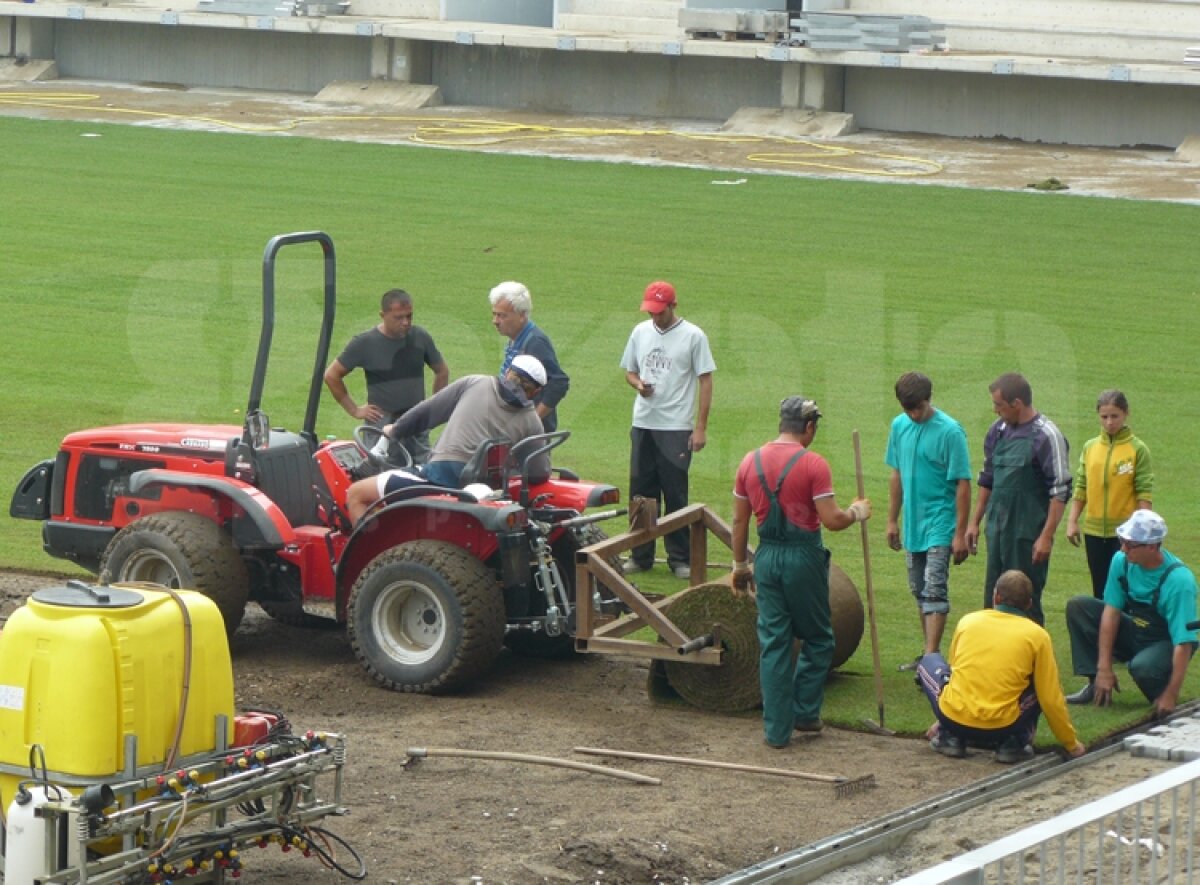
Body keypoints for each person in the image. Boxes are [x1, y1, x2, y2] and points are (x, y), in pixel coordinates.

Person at [731, 396, 871, 749]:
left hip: (766, 556)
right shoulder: (813, 465)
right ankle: (806, 713)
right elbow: (832, 520)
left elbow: (738, 520)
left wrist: (739, 566)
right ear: (808, 427)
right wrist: (857, 512)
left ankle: (776, 732)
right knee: (820, 637)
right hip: (803, 558)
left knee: (774, 644)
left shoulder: (750, 462)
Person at [917, 569, 1086, 763]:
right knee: (1041, 686)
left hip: (954, 718)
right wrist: (1071, 744)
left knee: (929, 661)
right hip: (1004, 725)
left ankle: (951, 737)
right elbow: (1050, 698)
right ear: (1029, 604)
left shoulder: (968, 622)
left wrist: (944, 720)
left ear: (996, 596)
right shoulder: (1037, 635)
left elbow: (956, 676)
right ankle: (1013, 744)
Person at [346, 355, 550, 512]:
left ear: (508, 373)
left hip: (439, 478)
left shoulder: (475, 383)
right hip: (484, 488)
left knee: (356, 494)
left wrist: (395, 430)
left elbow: (426, 413)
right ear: (536, 391)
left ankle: (371, 566)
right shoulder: (532, 421)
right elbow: (538, 472)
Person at [620, 281, 715, 580]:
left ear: (673, 306)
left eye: (659, 312)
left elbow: (705, 381)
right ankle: (640, 553)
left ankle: (680, 558)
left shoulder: (694, 336)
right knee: (640, 492)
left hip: (675, 427)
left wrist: (700, 428)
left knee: (675, 493)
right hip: (643, 422)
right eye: (650, 311)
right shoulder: (640, 332)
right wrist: (638, 385)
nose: (654, 317)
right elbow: (629, 371)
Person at [1064, 510, 1198, 716]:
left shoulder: (1179, 582)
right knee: (1079, 606)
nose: (1123, 549)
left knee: (1142, 667)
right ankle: (1095, 685)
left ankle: (1161, 693)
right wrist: (1104, 667)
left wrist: (1172, 694)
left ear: (1152, 546)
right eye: (1122, 541)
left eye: (1130, 544)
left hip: (1166, 642)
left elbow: (1183, 643)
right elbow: (1111, 612)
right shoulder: (1121, 561)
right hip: (1136, 630)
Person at [964, 372, 1072, 626]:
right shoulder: (998, 431)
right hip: (998, 529)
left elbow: (1060, 491)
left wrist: (1046, 537)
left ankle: (1031, 660)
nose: (995, 411)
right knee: (995, 595)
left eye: (998, 406)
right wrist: (974, 522)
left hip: (1027, 534)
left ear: (1017, 404)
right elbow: (987, 478)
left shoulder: (1048, 436)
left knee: (1025, 597)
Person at [885, 372, 972, 670]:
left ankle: (931, 659)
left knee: (934, 588)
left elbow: (963, 484)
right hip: (913, 525)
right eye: (907, 409)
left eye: (917, 408)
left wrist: (959, 534)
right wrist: (891, 521)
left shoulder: (950, 432)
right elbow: (895, 475)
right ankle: (928, 654)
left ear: (928, 400)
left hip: (940, 524)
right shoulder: (899, 426)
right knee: (917, 589)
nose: (912, 415)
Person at [325, 289, 450, 465]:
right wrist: (355, 410)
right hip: (381, 424)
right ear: (383, 315)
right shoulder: (365, 343)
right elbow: (332, 375)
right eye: (399, 318)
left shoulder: (420, 337)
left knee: (421, 470)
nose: (405, 322)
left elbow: (442, 371)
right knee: (380, 471)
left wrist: (435, 407)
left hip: (415, 419)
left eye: (409, 316)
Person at [1066, 389, 1154, 599]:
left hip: (1125, 534)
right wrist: (1072, 521)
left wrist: (1145, 531)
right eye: (1104, 417)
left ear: (1126, 414)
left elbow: (1144, 492)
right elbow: (1081, 486)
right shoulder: (1090, 447)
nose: (1109, 423)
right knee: (1100, 589)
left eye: (1114, 416)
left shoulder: (1137, 449)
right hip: (1094, 533)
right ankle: (1103, 631)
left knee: (1126, 588)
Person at [489, 281, 570, 432]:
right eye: (494, 314)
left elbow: (559, 383)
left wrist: (534, 421)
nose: (495, 321)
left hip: (529, 436)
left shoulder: (535, 342)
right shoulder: (516, 338)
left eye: (502, 316)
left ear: (521, 316)